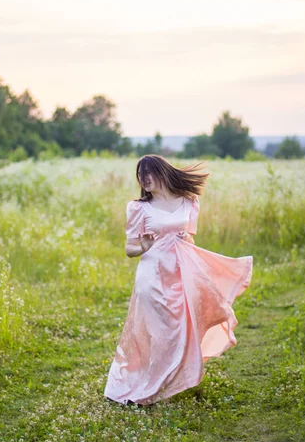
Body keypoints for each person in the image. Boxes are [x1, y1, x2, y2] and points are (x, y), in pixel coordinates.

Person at [104, 154, 253, 406]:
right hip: (151, 276)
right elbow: (129, 249)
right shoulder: (139, 208)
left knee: (180, 329)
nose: (144, 180)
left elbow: (189, 240)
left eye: (148, 174)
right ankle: (144, 385)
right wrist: (144, 246)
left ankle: (167, 381)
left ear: (162, 173)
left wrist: (186, 238)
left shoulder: (189, 202)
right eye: (141, 176)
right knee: (157, 332)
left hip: (181, 273)